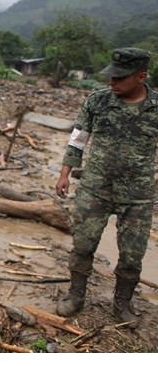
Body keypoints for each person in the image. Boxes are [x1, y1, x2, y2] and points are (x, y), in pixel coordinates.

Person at [55, 47, 156, 328]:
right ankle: (76, 295)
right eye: (111, 75)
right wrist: (64, 174)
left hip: (138, 195)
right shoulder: (97, 102)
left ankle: (122, 303)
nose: (112, 81)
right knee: (83, 243)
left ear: (141, 76)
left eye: (120, 77)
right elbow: (77, 141)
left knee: (133, 253)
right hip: (95, 187)